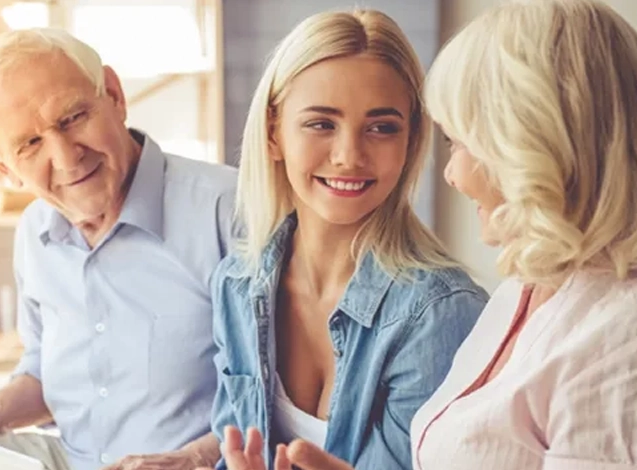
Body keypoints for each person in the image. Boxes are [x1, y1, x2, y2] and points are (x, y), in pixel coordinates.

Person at [227, 0, 637, 469]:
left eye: (469, 142)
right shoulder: (525, 291)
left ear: (548, 143)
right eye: (452, 141)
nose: (452, 173)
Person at [0, 28, 237, 470]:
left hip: (192, 464)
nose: (66, 157)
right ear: (4, 167)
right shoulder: (34, 231)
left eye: (72, 118)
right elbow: (46, 374)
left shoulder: (226, 209)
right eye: (30, 144)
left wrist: (191, 459)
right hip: (70, 459)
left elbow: (280, 396)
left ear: (115, 96)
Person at [203, 9, 488, 470]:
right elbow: (229, 446)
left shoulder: (442, 312)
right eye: (321, 123)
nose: (348, 156)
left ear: (411, 140)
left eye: (381, 127)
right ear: (273, 133)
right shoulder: (236, 283)